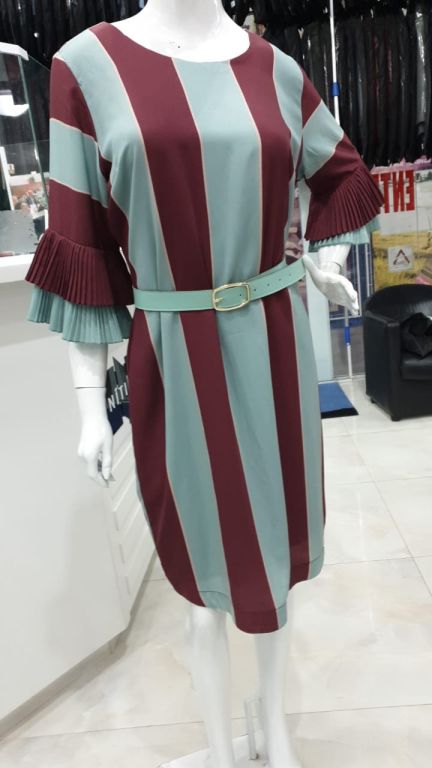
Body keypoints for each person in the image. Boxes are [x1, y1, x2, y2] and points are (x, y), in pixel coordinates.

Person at [26, 1, 383, 765]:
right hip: (173, 354)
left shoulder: (274, 68)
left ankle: (273, 729)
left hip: (276, 343)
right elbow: (79, 239)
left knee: (275, 552)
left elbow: (341, 174)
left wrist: (321, 264)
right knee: (201, 569)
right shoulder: (85, 67)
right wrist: (90, 405)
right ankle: (220, 748)